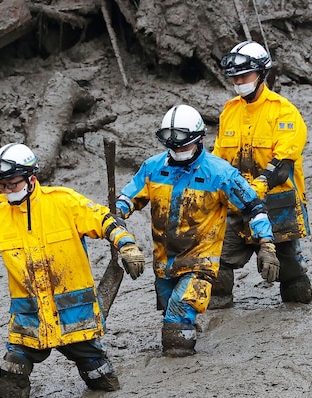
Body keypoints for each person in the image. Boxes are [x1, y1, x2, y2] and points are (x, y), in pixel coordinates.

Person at [0, 143, 146, 398]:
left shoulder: (64, 202)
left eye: (12, 184)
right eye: (3, 186)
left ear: (30, 178)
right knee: (10, 384)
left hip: (74, 317)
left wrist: (127, 246)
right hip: (29, 319)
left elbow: (105, 220)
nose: (7, 191)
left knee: (101, 381)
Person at [116, 104, 278, 356]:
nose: (177, 150)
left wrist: (266, 244)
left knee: (176, 332)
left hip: (201, 263)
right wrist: (115, 218)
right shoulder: (153, 167)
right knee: (172, 313)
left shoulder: (220, 173)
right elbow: (128, 198)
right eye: (172, 144)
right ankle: (187, 328)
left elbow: (253, 208)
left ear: (199, 139)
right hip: (164, 263)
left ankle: (177, 377)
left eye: (183, 144)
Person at [211, 40, 312, 307]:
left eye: (244, 75)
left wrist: (253, 189)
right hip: (236, 205)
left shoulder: (283, 111)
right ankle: (219, 312)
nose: (239, 81)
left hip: (277, 205)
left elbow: (281, 167)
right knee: (218, 261)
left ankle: (297, 319)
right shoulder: (229, 111)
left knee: (292, 276)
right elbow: (218, 161)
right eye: (235, 77)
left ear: (261, 74)